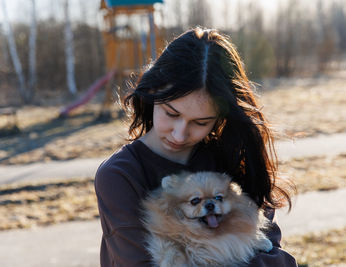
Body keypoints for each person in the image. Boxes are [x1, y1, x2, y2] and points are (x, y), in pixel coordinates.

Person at [95, 27, 297, 266]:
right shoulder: (120, 175)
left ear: (221, 118)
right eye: (171, 113)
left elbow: (275, 255)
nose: (180, 135)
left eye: (201, 122)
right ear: (152, 93)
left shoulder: (231, 157)